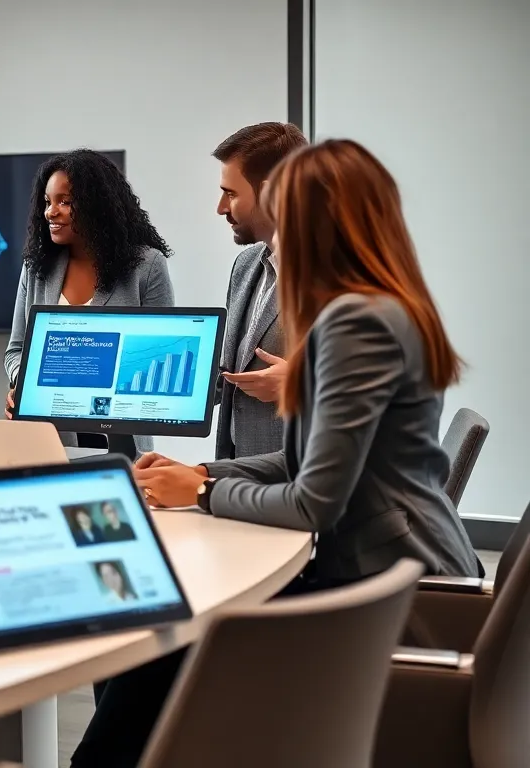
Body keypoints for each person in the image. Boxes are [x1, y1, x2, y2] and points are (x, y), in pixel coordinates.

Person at [71, 139, 481, 768]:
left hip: (387, 588)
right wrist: (202, 470)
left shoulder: (355, 324)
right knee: (166, 637)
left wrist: (203, 493)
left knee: (166, 636)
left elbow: (314, 500)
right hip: (375, 567)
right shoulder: (376, 309)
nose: (274, 238)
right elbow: (303, 462)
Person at [3, 149, 174, 452]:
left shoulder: (147, 265)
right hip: (47, 440)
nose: (50, 212)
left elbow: (162, 355)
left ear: (97, 205)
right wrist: (25, 381)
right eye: (47, 202)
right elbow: (16, 351)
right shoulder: (36, 268)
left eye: (64, 202)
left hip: (122, 441)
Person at [211, 122, 309, 459]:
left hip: (303, 483)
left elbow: (372, 394)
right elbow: (230, 371)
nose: (221, 208)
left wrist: (300, 385)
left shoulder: (334, 277)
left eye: (232, 193)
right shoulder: (247, 264)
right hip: (241, 469)